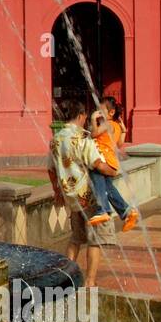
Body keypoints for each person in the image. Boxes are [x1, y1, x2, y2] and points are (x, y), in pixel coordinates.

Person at [48, 97, 118, 287]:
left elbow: (51, 170)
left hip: (72, 198)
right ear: (80, 116)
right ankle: (90, 281)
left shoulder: (55, 139)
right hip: (90, 195)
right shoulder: (83, 137)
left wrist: (57, 192)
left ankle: (65, 277)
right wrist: (114, 171)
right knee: (94, 240)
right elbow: (98, 164)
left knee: (76, 239)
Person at [89, 101, 139, 232]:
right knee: (108, 188)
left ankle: (103, 210)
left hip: (103, 160)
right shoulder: (116, 125)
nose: (98, 113)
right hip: (112, 162)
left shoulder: (107, 124)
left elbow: (94, 134)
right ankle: (127, 211)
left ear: (111, 112)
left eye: (101, 110)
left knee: (96, 176)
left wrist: (93, 119)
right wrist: (124, 131)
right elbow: (120, 144)